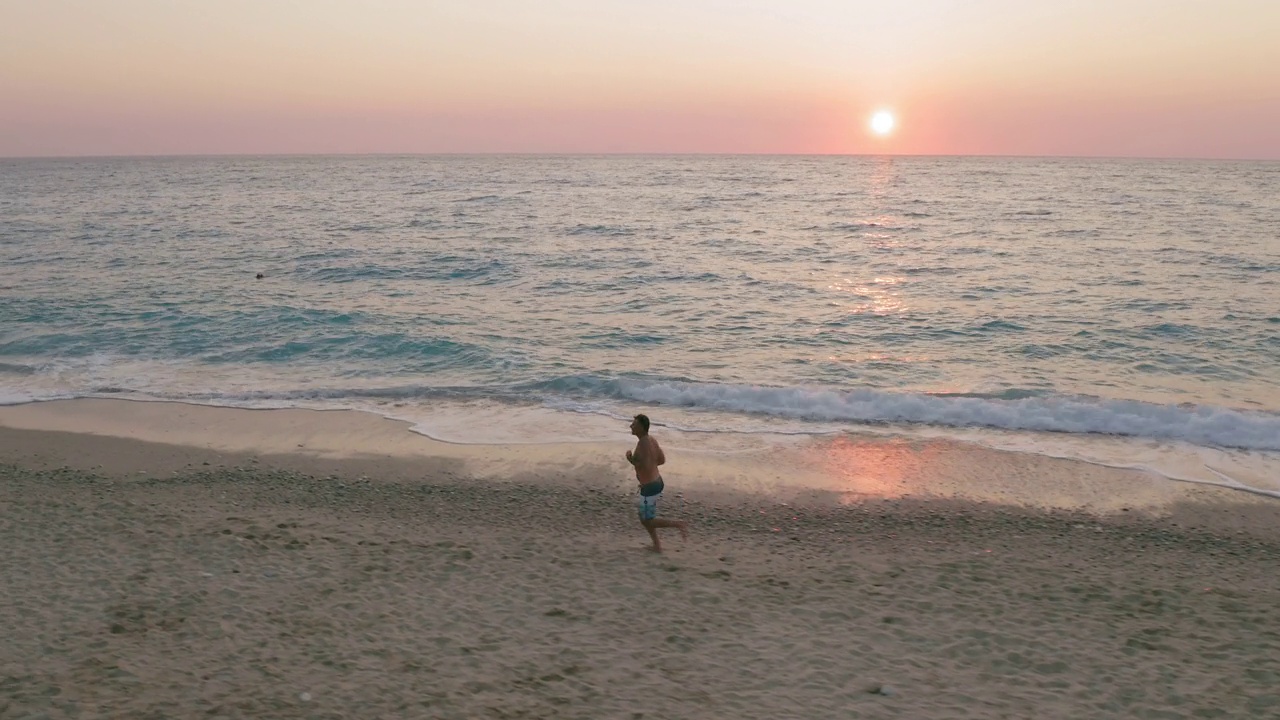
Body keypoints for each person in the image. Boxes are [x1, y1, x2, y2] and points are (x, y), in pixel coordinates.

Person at [626, 413, 688, 552]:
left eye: (634, 424)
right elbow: (661, 460)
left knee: (647, 520)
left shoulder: (642, 443)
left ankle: (678, 524)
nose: (631, 426)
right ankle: (657, 546)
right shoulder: (652, 440)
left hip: (650, 487)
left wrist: (630, 458)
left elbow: (639, 464)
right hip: (656, 482)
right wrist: (649, 469)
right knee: (645, 518)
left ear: (641, 427)